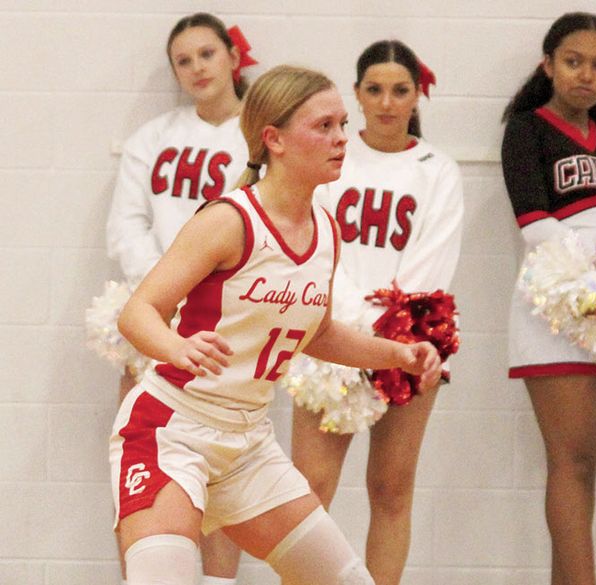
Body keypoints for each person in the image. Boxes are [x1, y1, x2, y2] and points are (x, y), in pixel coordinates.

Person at [109, 64, 442, 585]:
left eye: (341, 125)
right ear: (275, 140)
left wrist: (397, 354)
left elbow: (321, 332)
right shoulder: (228, 220)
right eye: (323, 126)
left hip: (248, 445)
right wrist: (176, 347)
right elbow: (137, 312)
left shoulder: (325, 230)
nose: (340, 139)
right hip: (172, 431)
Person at [288, 40, 464, 585]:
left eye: (400, 90)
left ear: (418, 95)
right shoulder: (330, 158)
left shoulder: (438, 169)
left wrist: (384, 337)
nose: (387, 103)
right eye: (374, 90)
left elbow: (431, 266)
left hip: (408, 341)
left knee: (391, 488)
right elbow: (307, 244)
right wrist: (342, 328)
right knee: (309, 490)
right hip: (328, 337)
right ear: (357, 95)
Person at [500, 12, 596, 585]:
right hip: (556, 306)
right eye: (573, 61)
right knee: (569, 462)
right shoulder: (526, 129)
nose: (586, 75)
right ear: (548, 65)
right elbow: (534, 222)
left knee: (586, 466)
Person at [103, 13, 254, 584]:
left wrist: (202, 297)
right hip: (155, 321)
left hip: (227, 327)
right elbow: (127, 227)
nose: (196, 68)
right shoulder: (153, 137)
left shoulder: (259, 139)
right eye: (183, 60)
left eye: (207, 54)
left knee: (222, 475)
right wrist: (167, 295)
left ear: (233, 57)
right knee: (141, 470)